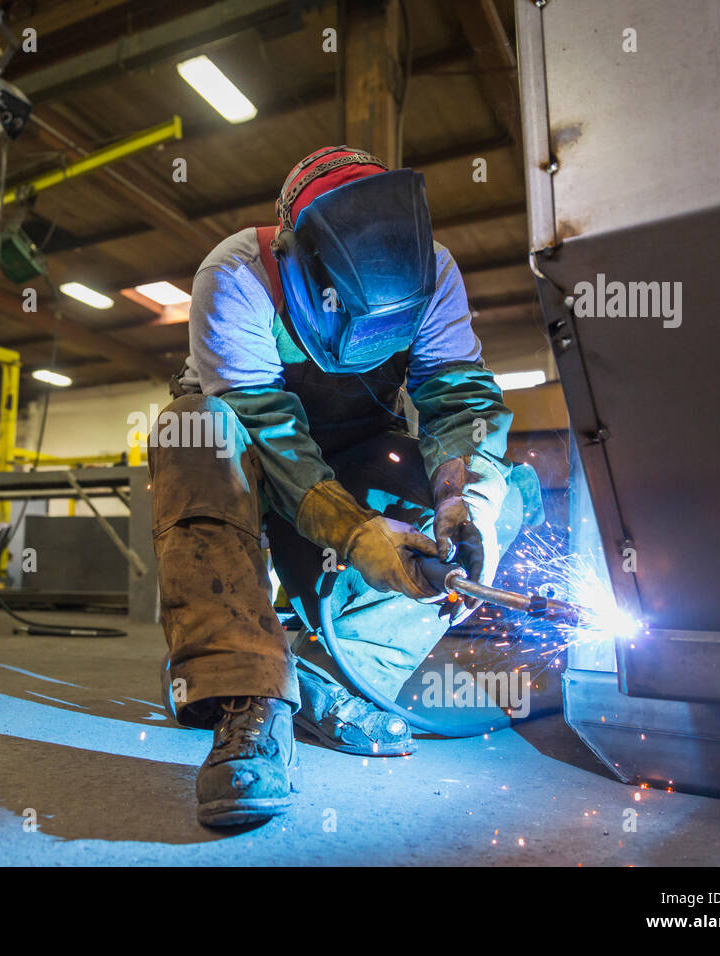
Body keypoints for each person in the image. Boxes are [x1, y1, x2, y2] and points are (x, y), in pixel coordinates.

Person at [148, 146, 539, 827]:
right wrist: (357, 536)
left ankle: (330, 678)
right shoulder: (237, 275)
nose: (368, 336)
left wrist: (462, 500)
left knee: (496, 506)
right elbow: (269, 435)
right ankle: (250, 694)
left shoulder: (435, 269)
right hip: (256, 457)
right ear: (299, 261)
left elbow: (457, 404)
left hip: (362, 446)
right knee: (195, 429)